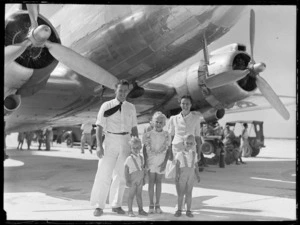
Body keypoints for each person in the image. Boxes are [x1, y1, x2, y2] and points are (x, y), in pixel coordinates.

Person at [90, 79, 139, 217]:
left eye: (125, 90)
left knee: (122, 175)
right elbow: (99, 126)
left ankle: (116, 204)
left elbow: (134, 127)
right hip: (110, 140)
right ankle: (99, 206)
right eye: (120, 90)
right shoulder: (106, 105)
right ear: (115, 91)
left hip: (126, 141)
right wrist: (99, 146)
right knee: (104, 174)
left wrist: (135, 145)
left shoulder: (131, 107)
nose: (123, 93)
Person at [167, 95, 202, 211]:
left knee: (188, 177)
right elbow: (170, 136)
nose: (185, 106)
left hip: (191, 150)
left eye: (187, 103)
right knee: (178, 177)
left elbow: (197, 137)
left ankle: (187, 201)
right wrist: (169, 153)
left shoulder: (196, 118)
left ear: (191, 105)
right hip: (177, 149)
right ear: (180, 104)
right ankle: (180, 202)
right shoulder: (173, 118)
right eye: (183, 103)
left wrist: (199, 152)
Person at [142, 111, 171, 214]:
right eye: (157, 122)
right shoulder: (148, 135)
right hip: (151, 161)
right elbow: (145, 149)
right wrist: (145, 162)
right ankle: (150, 204)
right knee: (151, 182)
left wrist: (165, 163)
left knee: (158, 182)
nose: (158, 124)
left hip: (161, 161)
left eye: (161, 122)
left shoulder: (167, 135)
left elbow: (168, 150)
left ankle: (157, 204)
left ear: (164, 123)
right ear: (153, 122)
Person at [174, 134, 201, 217]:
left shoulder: (194, 154)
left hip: (191, 176)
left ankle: (188, 210)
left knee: (189, 193)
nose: (189, 145)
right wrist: (176, 175)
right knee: (181, 193)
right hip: (182, 175)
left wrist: (198, 174)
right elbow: (177, 165)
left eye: (191, 143)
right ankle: (179, 209)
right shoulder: (179, 154)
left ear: (193, 144)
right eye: (187, 143)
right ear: (183, 143)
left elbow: (196, 165)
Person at [124, 137, 148, 217]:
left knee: (139, 195)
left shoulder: (141, 158)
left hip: (140, 179)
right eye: (133, 148)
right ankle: (130, 211)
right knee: (131, 195)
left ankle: (140, 210)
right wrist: (127, 180)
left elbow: (142, 168)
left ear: (140, 148)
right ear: (131, 148)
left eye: (137, 148)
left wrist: (144, 178)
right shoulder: (129, 159)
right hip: (132, 179)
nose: (135, 149)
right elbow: (126, 170)